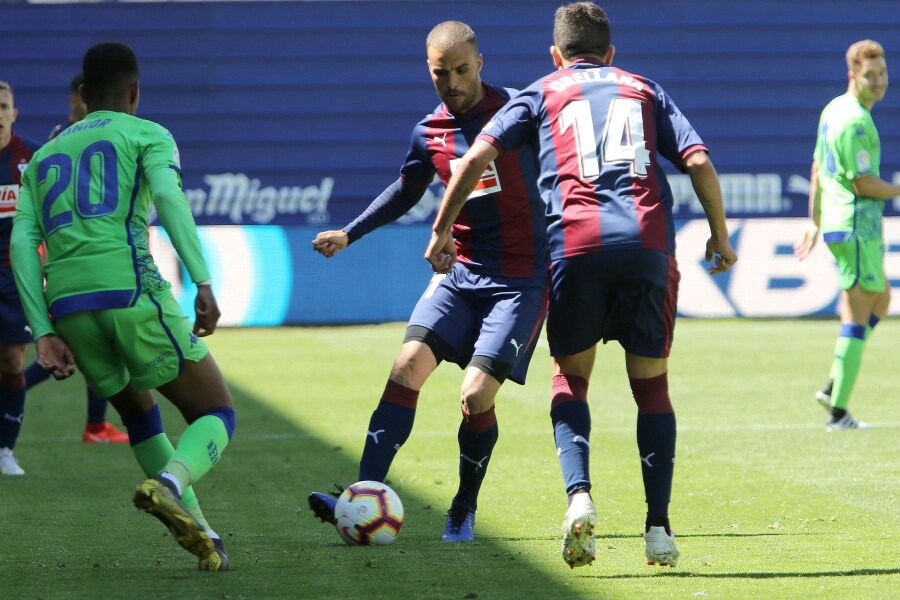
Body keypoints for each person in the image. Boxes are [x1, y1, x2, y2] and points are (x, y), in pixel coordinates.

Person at [425, 2, 737, 569]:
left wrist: (442, 230)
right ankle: (659, 530)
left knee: (571, 378)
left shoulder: (542, 91)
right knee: (652, 387)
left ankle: (580, 497)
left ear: (556, 54)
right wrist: (720, 236)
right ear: (610, 53)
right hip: (646, 248)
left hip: (576, 247)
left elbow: (475, 157)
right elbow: (698, 161)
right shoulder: (644, 89)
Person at [307, 21, 549, 543]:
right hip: (460, 274)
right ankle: (360, 498)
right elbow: (406, 188)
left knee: (475, 397)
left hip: (522, 279)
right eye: (443, 73)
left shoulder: (521, 113)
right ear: (430, 71)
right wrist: (350, 233)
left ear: (481, 63)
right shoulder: (430, 131)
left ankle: (462, 507)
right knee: (404, 368)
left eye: (463, 70)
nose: (453, 82)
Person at [11, 42, 236, 571]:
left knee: (140, 418)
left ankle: (204, 532)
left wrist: (43, 329)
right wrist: (201, 280)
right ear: (134, 93)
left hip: (67, 305)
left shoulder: (41, 158)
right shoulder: (146, 133)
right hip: (131, 292)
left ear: (84, 95)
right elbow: (170, 200)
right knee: (216, 411)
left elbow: (22, 244)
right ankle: (169, 482)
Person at [794, 40, 897, 431]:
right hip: (854, 225)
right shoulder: (855, 120)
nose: (879, 82)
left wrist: (814, 220)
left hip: (847, 226)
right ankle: (838, 411)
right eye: (870, 75)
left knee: (882, 299)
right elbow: (862, 185)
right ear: (853, 76)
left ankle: (835, 381)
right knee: (857, 314)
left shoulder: (834, 109)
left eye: (883, 74)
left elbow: (818, 166)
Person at [21, 71, 129, 445]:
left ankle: (95, 426)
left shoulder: (96, 137)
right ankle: (93, 426)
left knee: (85, 350)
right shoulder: (59, 143)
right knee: (68, 351)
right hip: (68, 265)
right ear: (76, 100)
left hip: (88, 264)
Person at [0, 80, 42, 476]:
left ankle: (5, 450)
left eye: (2, 106)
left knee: (13, 362)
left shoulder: (32, 158)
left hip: (15, 277)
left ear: (14, 113)